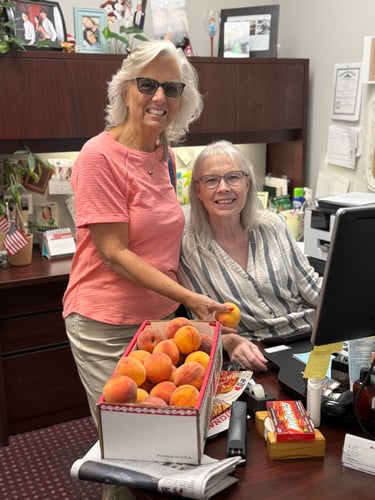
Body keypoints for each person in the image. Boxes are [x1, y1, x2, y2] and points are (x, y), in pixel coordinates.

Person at [63, 39, 228, 424]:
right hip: (106, 324)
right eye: (147, 85)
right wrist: (192, 298)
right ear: (126, 89)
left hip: (159, 323)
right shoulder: (97, 157)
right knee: (129, 436)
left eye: (171, 88)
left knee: (166, 429)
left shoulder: (163, 154)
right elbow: (114, 253)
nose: (159, 96)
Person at [178, 140, 323, 370]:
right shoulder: (188, 248)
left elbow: (314, 290)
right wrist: (230, 342)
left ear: (247, 183)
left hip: (311, 339)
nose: (223, 187)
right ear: (198, 190)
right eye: (212, 180)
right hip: (256, 352)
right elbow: (200, 327)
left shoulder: (273, 225)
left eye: (233, 177)